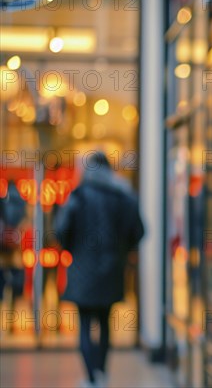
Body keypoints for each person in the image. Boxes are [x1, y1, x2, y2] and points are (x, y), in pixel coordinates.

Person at [54, 152, 144, 388]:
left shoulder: (79, 196)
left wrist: (74, 248)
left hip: (82, 271)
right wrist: (123, 251)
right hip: (112, 271)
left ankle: (91, 377)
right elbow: (139, 231)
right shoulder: (122, 197)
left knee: (84, 326)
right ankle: (101, 374)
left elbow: (61, 230)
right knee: (105, 324)